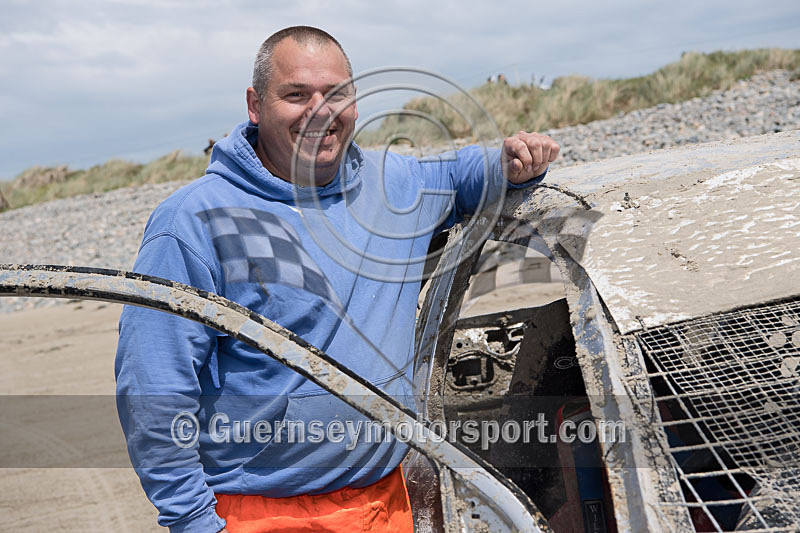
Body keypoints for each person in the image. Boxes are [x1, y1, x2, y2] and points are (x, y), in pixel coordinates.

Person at [115, 25, 559, 533]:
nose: (320, 111)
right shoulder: (192, 222)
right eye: (296, 95)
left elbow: (466, 174)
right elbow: (152, 390)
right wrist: (193, 522)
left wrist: (516, 162)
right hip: (258, 513)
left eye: (337, 94)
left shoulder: (396, 184)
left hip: (388, 501)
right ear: (255, 104)